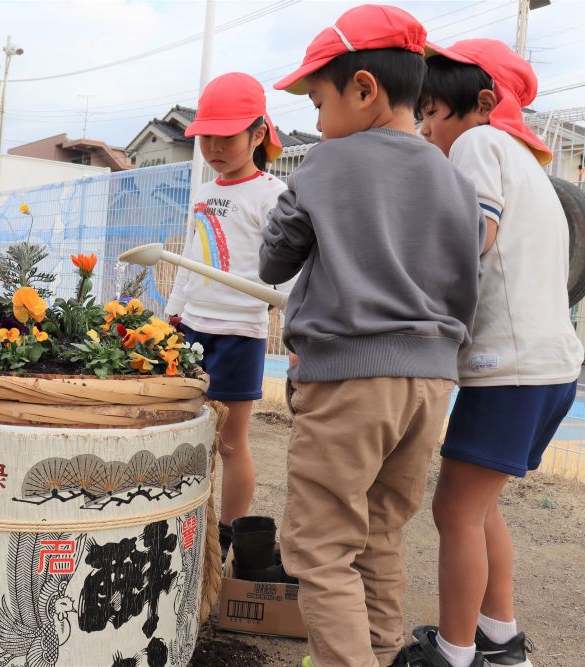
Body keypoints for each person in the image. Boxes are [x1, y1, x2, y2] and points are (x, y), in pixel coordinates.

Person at [257, 6, 486, 666]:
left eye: (320, 102)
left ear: (364, 88)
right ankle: (382, 654)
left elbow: (275, 260)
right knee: (380, 532)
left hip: (350, 379)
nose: (319, 123)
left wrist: (301, 197)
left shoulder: (325, 167)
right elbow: (466, 279)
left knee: (321, 547)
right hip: (430, 382)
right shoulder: (455, 177)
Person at [406, 38, 584, 667]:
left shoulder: (479, 143)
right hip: (548, 368)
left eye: (431, 113)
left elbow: (470, 239)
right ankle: (501, 641)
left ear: (481, 104)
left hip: (506, 370)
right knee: (479, 508)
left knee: (453, 508)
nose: (425, 128)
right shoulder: (530, 168)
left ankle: (453, 656)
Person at [164, 72, 291, 558]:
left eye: (227, 135)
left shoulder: (272, 193)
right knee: (190, 433)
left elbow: (288, 271)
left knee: (232, 442)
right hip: (193, 328)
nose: (214, 146)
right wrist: (173, 316)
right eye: (206, 137)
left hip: (240, 332)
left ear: (258, 134)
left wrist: (292, 327)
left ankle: (226, 533)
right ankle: (185, 519)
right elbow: (189, 262)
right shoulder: (201, 191)